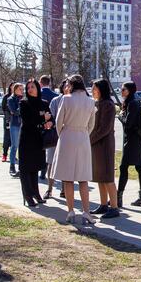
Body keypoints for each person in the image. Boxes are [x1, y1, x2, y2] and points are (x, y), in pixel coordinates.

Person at [51, 75, 96, 225]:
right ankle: (86, 212)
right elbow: (91, 125)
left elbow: (59, 122)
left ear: (72, 84)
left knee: (67, 177)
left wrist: (63, 135)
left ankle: (70, 211)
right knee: (83, 177)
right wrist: (83, 134)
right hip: (82, 137)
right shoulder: (90, 102)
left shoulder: (66, 99)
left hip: (67, 136)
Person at [18, 79, 53, 207]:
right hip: (27, 139)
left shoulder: (44, 103)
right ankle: (28, 196)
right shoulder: (24, 103)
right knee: (26, 168)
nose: (30, 89)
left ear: (38, 88)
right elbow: (28, 120)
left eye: (32, 87)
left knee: (35, 167)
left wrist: (50, 122)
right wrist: (43, 118)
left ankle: (36, 194)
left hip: (39, 138)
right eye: (28, 87)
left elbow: (50, 117)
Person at [89, 79, 120, 218]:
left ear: (101, 89)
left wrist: (90, 139)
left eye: (94, 88)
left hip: (104, 144)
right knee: (99, 176)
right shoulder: (96, 103)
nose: (92, 90)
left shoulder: (108, 104)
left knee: (107, 176)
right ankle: (103, 204)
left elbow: (105, 128)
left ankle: (114, 207)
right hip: (96, 144)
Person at [117, 81, 141, 207]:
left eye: (123, 89)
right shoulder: (133, 101)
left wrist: (120, 116)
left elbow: (128, 123)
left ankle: (118, 198)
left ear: (129, 90)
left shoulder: (132, 103)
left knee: (124, 167)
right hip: (136, 139)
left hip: (132, 140)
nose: (121, 91)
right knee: (139, 167)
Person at [44, 80, 67, 199]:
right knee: (51, 163)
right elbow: (51, 118)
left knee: (65, 164)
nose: (68, 88)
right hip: (54, 136)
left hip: (67, 137)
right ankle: (49, 189)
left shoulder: (72, 101)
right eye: (66, 86)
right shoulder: (56, 101)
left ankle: (64, 190)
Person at [38, 75, 58, 181]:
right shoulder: (55, 95)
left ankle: (40, 170)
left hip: (39, 124)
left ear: (40, 82)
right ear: (49, 83)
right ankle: (44, 171)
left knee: (39, 148)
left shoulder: (38, 94)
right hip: (50, 123)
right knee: (48, 147)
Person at [1, 82, 14, 162]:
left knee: (15, 139)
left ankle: (13, 155)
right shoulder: (6, 97)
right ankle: (4, 154)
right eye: (12, 86)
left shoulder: (19, 97)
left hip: (16, 121)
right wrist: (8, 117)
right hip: (7, 120)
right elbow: (3, 108)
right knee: (7, 137)